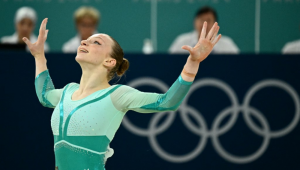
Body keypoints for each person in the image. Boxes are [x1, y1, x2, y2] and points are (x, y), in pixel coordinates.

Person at [23, 18, 221, 170]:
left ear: (110, 61)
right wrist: (39, 56)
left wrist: (193, 63)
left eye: (96, 42)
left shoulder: (117, 95)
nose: (85, 41)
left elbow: (167, 102)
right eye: (86, 40)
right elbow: (44, 94)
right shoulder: (68, 91)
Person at [169, 6, 239, 54]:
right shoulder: (182, 42)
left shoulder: (227, 44)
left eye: (208, 20)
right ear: (194, 22)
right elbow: (170, 63)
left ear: (215, 23)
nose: (204, 24)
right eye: (201, 20)